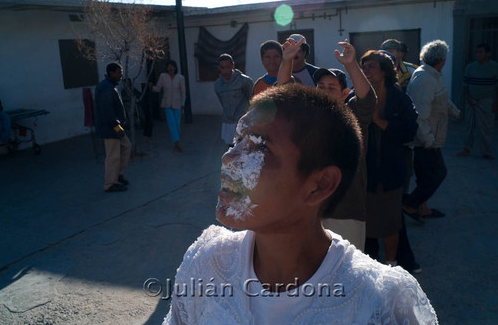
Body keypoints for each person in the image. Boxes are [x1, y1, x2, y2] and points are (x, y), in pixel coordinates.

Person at [162, 84, 438, 324]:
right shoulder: (208, 262)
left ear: (320, 185)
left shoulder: (380, 302)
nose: (229, 158)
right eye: (237, 140)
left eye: (259, 147)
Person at [278, 36, 377, 250]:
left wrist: (351, 65)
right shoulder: (309, 117)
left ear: (344, 94)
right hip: (312, 208)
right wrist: (286, 61)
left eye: (331, 87)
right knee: (314, 272)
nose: (324, 90)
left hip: (347, 209)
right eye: (321, 86)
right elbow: (285, 91)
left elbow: (368, 100)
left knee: (347, 272)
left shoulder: (354, 116)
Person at [360, 50, 419, 266]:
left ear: (385, 71)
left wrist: (380, 122)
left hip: (391, 171)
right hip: (365, 174)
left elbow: (410, 131)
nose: (366, 71)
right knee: (366, 222)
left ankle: (392, 264)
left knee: (391, 222)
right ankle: (369, 263)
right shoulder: (356, 98)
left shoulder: (400, 99)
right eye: (364, 67)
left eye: (371, 66)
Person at [403, 40, 461, 221]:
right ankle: (409, 203)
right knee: (438, 174)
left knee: (425, 175)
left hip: (431, 135)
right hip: (425, 139)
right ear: (441, 60)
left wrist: (455, 112)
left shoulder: (433, 74)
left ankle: (422, 209)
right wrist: (428, 140)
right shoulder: (425, 79)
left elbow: (441, 99)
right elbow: (419, 115)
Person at [457, 43, 498, 160]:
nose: (478, 54)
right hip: (471, 100)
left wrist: (496, 103)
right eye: (477, 52)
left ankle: (486, 151)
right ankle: (466, 148)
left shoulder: (494, 67)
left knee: (486, 127)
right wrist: (469, 98)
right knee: (469, 126)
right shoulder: (471, 67)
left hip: (486, 101)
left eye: (481, 52)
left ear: (488, 54)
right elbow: (465, 84)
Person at [94, 62, 131, 192]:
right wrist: (117, 127)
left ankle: (118, 175)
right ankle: (110, 184)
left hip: (115, 127)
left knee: (126, 147)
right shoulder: (106, 88)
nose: (121, 74)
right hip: (110, 129)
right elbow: (107, 112)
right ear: (111, 73)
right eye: (118, 72)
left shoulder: (111, 86)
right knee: (113, 156)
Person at [214, 53, 253, 146]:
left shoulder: (244, 81)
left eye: (228, 67)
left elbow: (251, 99)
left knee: (244, 149)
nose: (225, 70)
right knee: (231, 150)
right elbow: (222, 102)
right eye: (222, 67)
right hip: (228, 121)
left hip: (242, 121)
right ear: (219, 68)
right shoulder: (217, 84)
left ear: (233, 65)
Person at [151, 60, 186, 152]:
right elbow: (158, 89)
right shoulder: (163, 76)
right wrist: (151, 87)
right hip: (167, 104)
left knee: (177, 124)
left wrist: (183, 103)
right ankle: (177, 144)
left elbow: (183, 92)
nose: (170, 68)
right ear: (166, 68)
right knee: (172, 124)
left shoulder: (180, 78)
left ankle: (176, 143)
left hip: (177, 104)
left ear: (175, 68)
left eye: (172, 66)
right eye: (168, 66)